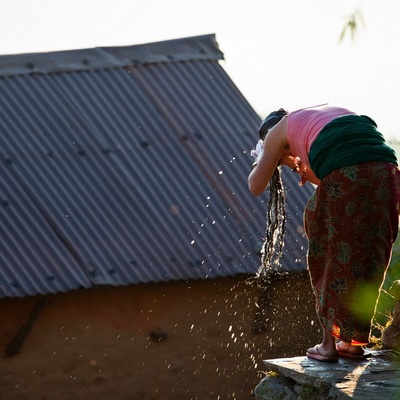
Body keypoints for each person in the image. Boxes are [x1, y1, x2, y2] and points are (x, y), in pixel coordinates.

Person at [248, 103, 400, 362]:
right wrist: (301, 165)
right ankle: (352, 343)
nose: (288, 164)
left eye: (281, 159)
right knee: (370, 253)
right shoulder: (323, 118)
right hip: (388, 172)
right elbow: (348, 166)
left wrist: (262, 158)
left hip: (348, 173)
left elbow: (255, 185)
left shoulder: (277, 132)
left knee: (327, 254)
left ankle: (328, 345)